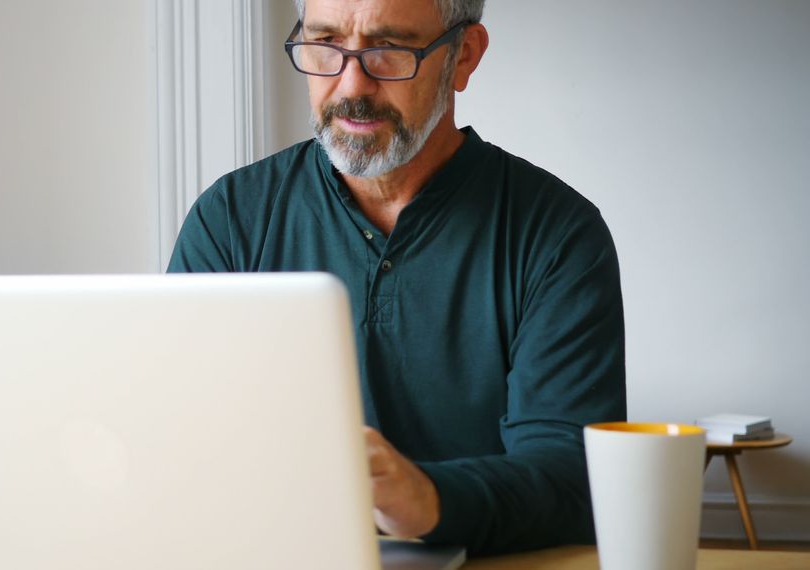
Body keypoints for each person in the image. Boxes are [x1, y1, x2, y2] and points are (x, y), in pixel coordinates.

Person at [168, 0, 625, 555]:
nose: (350, 85)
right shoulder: (229, 219)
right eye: (326, 44)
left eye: (388, 49)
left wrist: (428, 499)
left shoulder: (557, 235)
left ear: (464, 56)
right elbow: (177, 444)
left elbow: (571, 482)